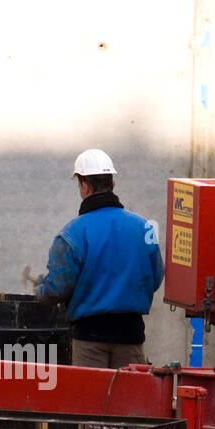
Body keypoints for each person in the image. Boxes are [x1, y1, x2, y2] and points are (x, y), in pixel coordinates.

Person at [38, 149, 164, 368]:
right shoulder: (144, 227)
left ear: (84, 186)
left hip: (89, 339)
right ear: (112, 185)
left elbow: (58, 288)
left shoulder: (72, 233)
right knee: (128, 401)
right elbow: (155, 278)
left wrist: (42, 291)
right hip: (131, 337)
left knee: (89, 401)